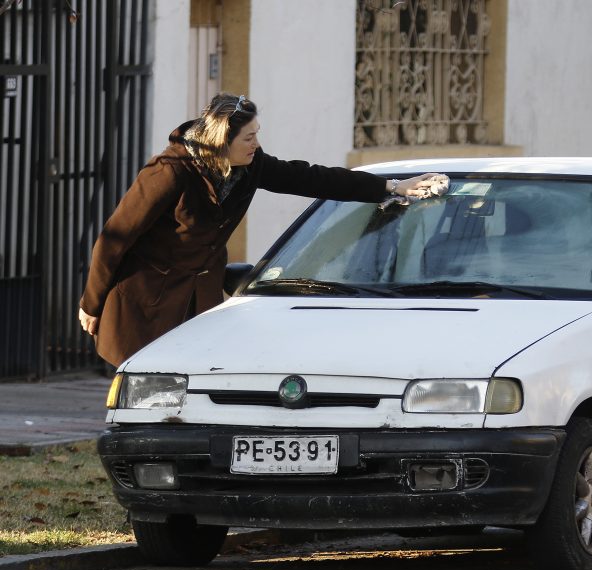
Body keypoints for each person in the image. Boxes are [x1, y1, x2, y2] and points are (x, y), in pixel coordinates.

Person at [78, 93, 446, 366]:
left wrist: (391, 187)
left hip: (198, 299)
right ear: (222, 141)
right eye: (248, 138)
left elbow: (311, 178)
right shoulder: (169, 172)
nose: (256, 143)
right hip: (146, 301)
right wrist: (91, 304)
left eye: (257, 134)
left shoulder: (250, 166)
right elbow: (115, 239)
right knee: (147, 391)